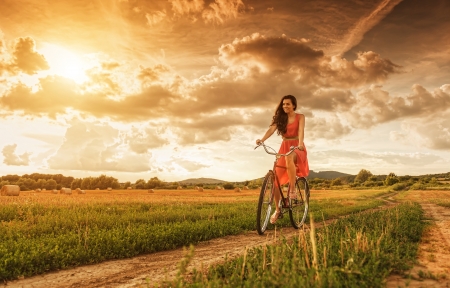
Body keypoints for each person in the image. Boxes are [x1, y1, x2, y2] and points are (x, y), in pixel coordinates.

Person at [256, 95, 309, 224]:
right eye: (283, 104)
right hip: (284, 146)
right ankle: (278, 210)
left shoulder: (300, 117)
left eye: (288, 104)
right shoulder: (281, 118)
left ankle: (292, 189)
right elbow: (271, 129)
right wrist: (262, 140)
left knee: (289, 158)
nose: (285, 106)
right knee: (276, 181)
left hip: (297, 146)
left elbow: (301, 130)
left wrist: (300, 144)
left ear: (294, 105)